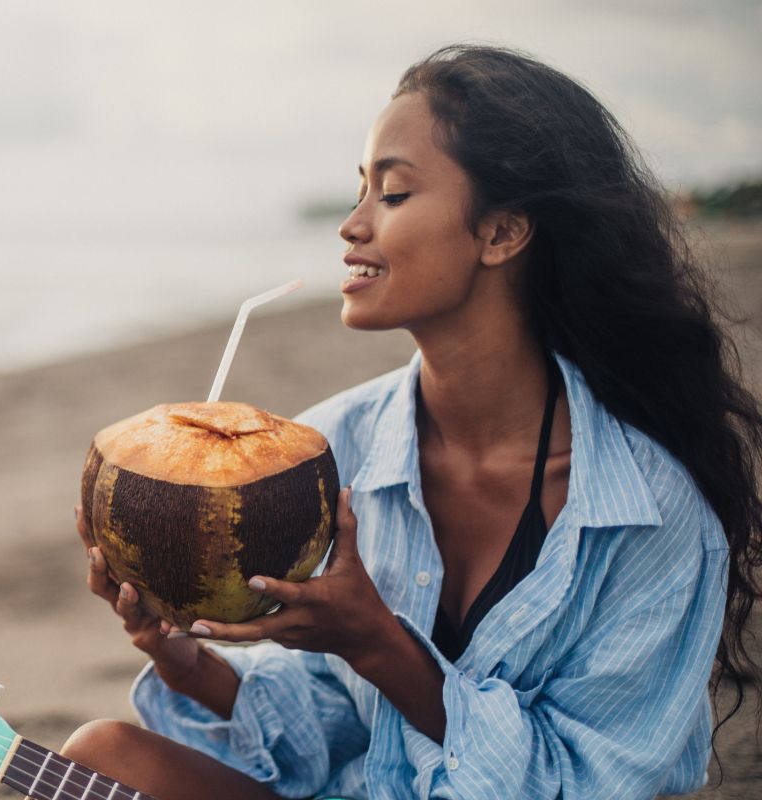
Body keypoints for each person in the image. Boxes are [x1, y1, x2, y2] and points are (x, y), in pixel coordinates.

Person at [63, 44, 762, 799]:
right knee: (102, 751)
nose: (352, 226)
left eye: (391, 195)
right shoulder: (331, 453)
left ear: (500, 234)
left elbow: (585, 783)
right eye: (359, 191)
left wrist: (379, 644)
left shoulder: (648, 510)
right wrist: (184, 659)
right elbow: (335, 730)